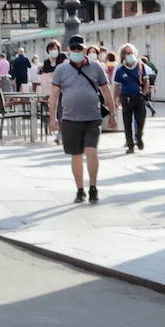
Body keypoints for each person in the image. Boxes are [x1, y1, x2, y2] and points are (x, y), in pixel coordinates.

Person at [48, 35, 116, 204]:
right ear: (69, 51)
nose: (77, 52)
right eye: (74, 49)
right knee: (76, 155)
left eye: (80, 49)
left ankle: (93, 187)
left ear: (85, 50)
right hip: (70, 118)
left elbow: (106, 90)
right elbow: (54, 95)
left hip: (92, 117)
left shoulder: (96, 67)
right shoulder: (61, 70)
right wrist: (52, 118)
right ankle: (80, 189)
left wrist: (113, 114)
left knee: (91, 150)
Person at [113, 43, 151, 152]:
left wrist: (143, 93)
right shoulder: (120, 70)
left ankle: (138, 136)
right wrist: (115, 99)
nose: (129, 55)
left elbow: (146, 80)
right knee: (127, 122)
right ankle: (130, 145)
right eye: (127, 53)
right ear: (123, 55)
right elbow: (117, 86)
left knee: (141, 119)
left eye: (131, 53)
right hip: (126, 97)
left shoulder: (140, 66)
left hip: (138, 97)